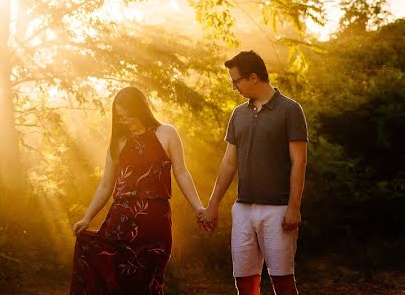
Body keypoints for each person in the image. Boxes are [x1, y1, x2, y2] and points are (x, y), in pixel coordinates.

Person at [70, 86, 206, 295]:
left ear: (142, 110)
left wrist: (198, 208)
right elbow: (106, 185)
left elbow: (181, 173)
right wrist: (87, 218)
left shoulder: (166, 133)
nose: (126, 121)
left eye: (129, 116)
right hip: (120, 221)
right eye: (121, 118)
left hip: (154, 220)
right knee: (117, 282)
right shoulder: (118, 143)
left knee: (149, 282)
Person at [199, 50, 308, 295]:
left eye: (236, 81)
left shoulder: (290, 110)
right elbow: (229, 163)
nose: (233, 86)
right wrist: (213, 204)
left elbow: (299, 162)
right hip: (243, 209)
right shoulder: (238, 114)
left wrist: (294, 207)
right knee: (245, 281)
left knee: (283, 281)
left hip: (278, 210)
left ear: (253, 77)